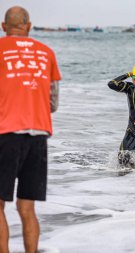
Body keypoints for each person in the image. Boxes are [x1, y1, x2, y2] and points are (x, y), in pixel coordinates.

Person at [0, 6, 61, 253]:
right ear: (29, 26)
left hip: (5, 133)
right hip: (38, 136)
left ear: (4, 27)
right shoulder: (47, 53)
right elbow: (53, 102)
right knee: (27, 208)